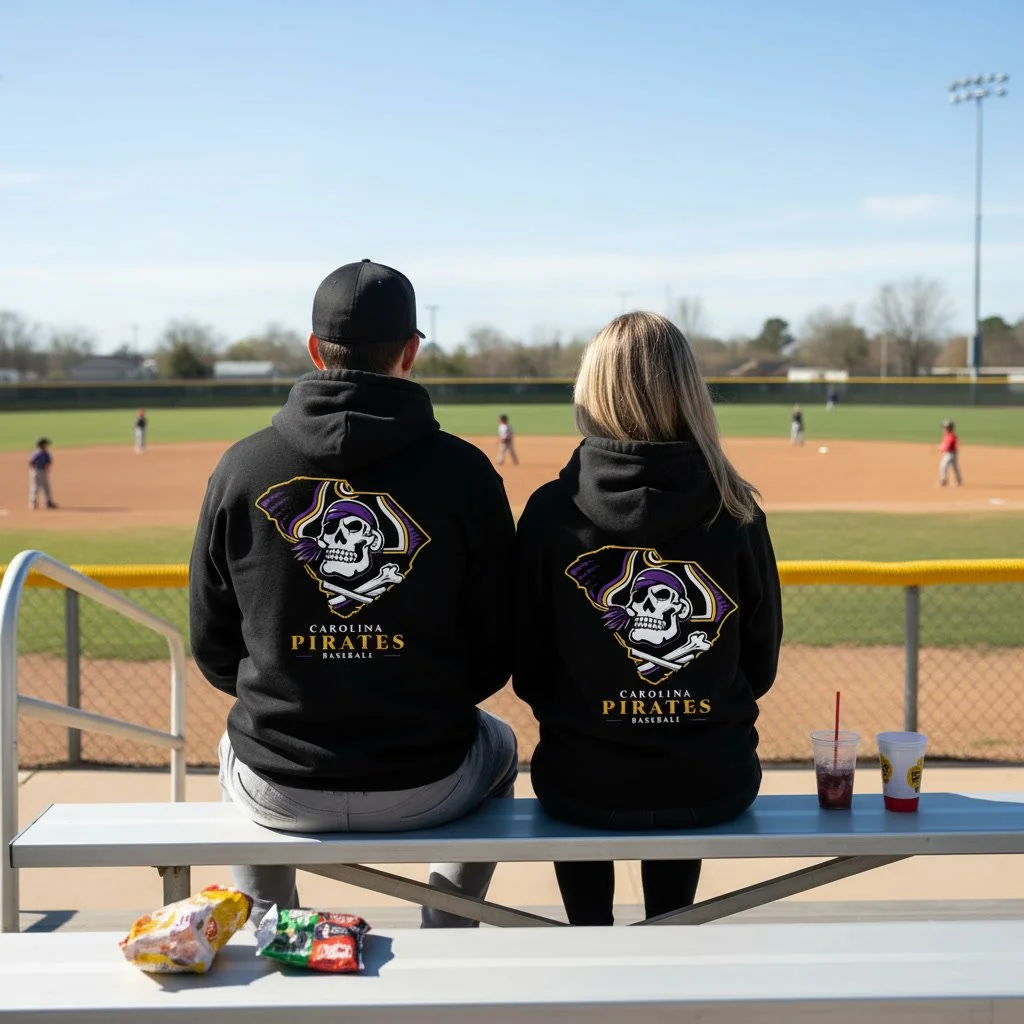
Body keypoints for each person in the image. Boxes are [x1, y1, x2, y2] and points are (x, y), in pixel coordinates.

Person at [189, 259, 518, 929]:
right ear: (411, 352)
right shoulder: (465, 472)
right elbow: (495, 649)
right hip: (430, 780)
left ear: (314, 350)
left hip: (277, 783)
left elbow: (213, 646)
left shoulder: (243, 466)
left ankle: (274, 930)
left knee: (234, 744)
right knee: (503, 743)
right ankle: (448, 927)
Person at [513, 311, 782, 926]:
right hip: (712, 783)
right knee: (672, 806)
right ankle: (669, 930)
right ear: (688, 391)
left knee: (592, 778)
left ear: (590, 391)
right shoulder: (736, 510)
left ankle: (590, 933)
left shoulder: (551, 512)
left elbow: (529, 669)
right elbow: (759, 665)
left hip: (580, 782)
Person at [28, 437, 57, 510]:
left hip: (35, 471)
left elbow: (31, 462)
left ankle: (33, 503)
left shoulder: (35, 453)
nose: (47, 445)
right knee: (46, 487)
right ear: (42, 445)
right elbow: (49, 462)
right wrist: (46, 469)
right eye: (45, 444)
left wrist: (33, 470)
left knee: (34, 487)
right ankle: (48, 502)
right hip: (42, 471)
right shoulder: (46, 453)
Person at [938, 419, 962, 487]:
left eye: (946, 427)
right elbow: (944, 443)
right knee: (954, 467)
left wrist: (942, 448)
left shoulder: (952, 436)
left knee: (943, 466)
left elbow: (948, 446)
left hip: (950, 454)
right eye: (945, 427)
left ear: (950, 428)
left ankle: (944, 480)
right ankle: (958, 480)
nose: (944, 429)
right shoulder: (947, 435)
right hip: (950, 453)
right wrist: (940, 446)